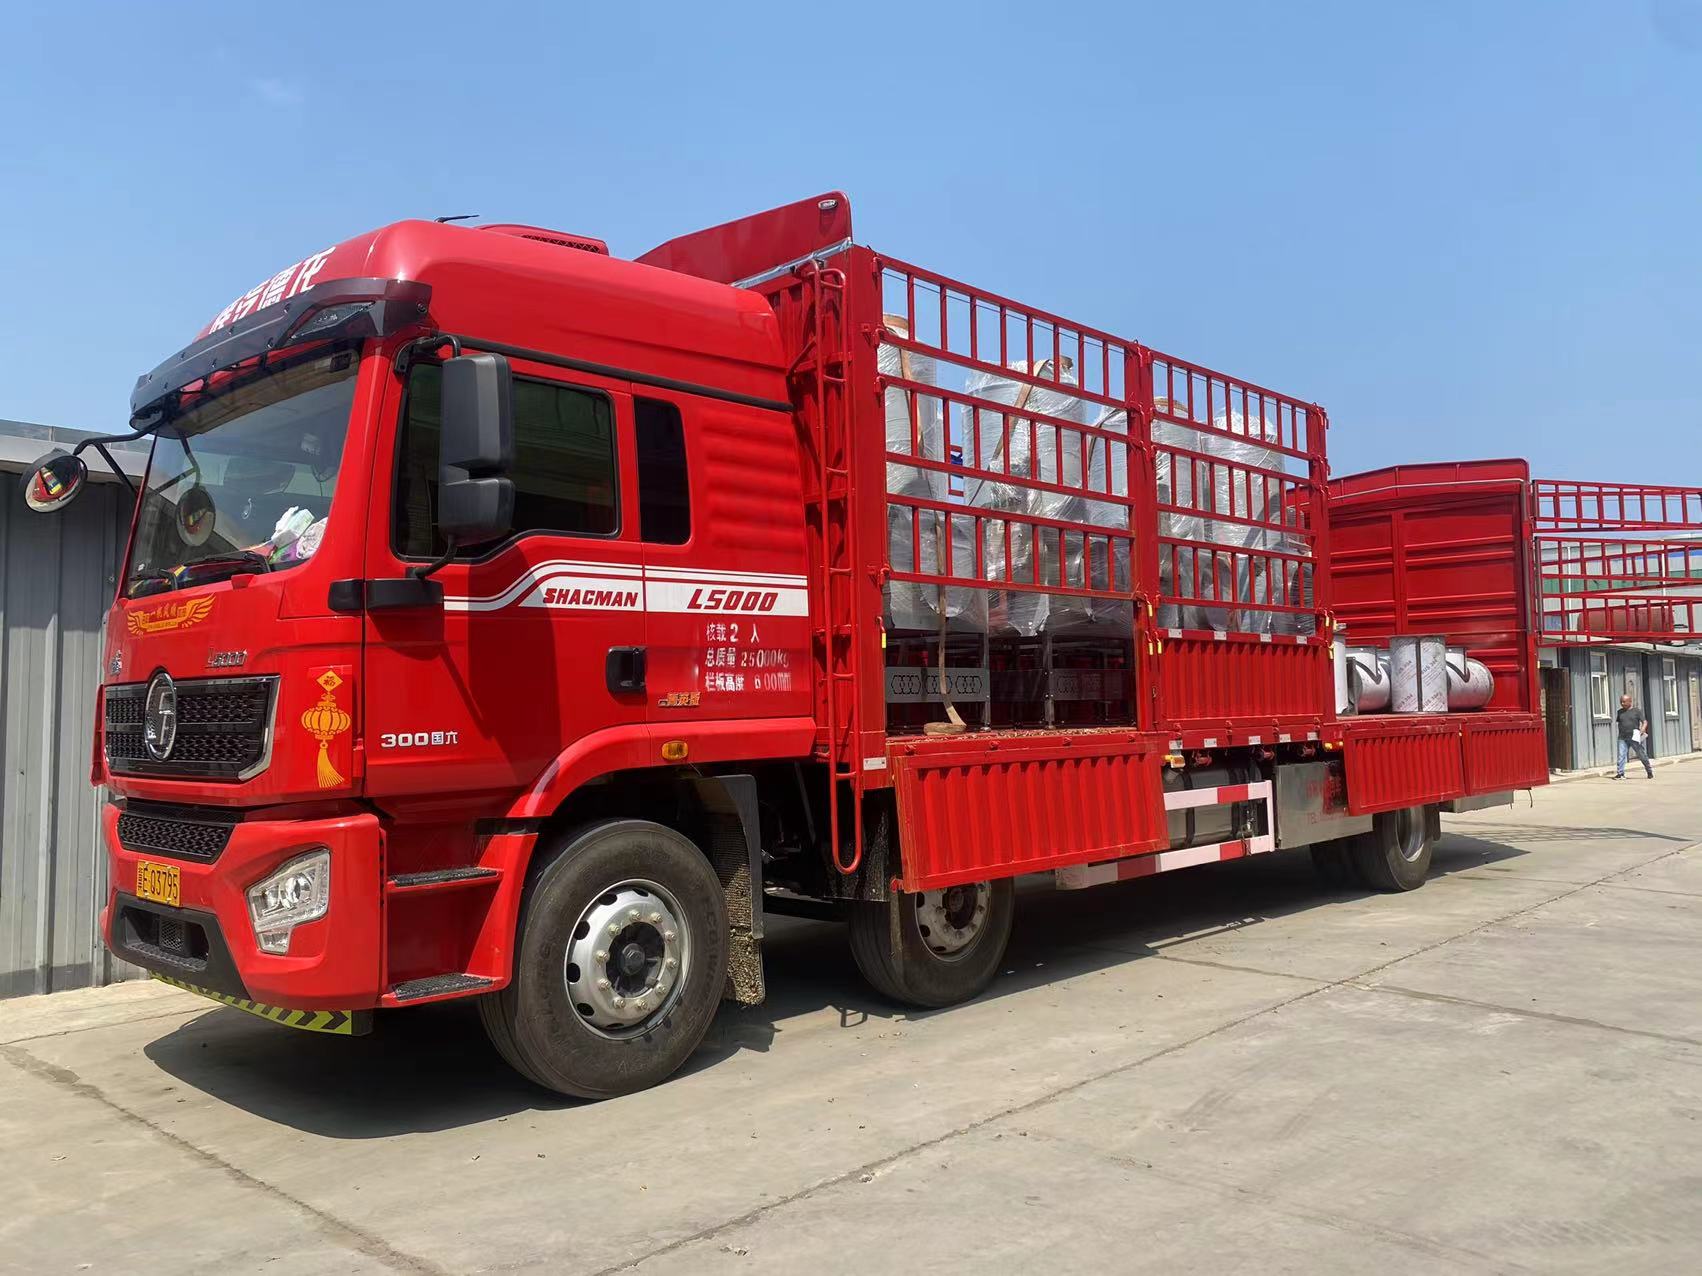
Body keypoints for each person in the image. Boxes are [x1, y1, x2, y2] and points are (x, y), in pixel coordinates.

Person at [1613, 693, 1654, 780]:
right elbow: (1620, 723)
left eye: (1624, 702)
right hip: (1622, 737)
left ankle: (1649, 770)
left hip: (1634, 737)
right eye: (1621, 702)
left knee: (1641, 754)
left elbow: (1645, 722)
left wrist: (1642, 729)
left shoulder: (1636, 711)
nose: (1622, 703)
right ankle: (1620, 773)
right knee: (1621, 755)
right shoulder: (1619, 712)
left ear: (1630, 701)